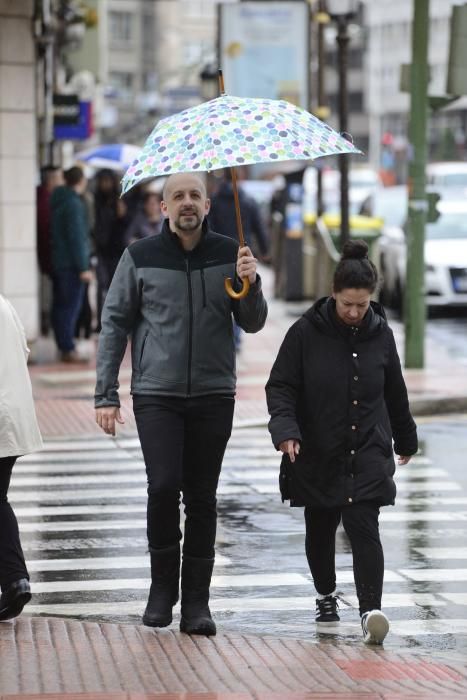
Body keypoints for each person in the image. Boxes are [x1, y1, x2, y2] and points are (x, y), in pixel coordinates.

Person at [94, 172, 267, 636]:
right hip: (157, 394)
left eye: (195, 195)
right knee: (163, 486)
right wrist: (105, 393)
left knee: (203, 497)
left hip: (213, 392)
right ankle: (160, 590)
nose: (187, 203)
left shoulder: (231, 254)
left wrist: (251, 283)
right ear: (164, 208)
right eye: (178, 196)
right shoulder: (140, 257)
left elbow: (252, 323)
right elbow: (114, 323)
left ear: (208, 206)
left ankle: (197, 602)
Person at [265, 240, 418, 645]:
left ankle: (371, 612)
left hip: (368, 445)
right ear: (333, 294)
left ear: (371, 299)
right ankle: (325, 594)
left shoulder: (381, 334)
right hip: (318, 446)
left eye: (362, 305)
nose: (354, 312)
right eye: (347, 304)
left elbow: (395, 390)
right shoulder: (304, 333)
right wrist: (286, 431)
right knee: (320, 525)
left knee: (364, 524)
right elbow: (280, 386)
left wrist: (406, 437)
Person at [0, 294, 43, 621]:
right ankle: (15, 580)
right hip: (12, 417)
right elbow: (24, 351)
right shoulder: (4, 303)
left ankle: (15, 579)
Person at [209, 170, 270, 350]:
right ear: (239, 178)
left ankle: (230, 335)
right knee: (241, 293)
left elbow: (210, 227)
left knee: (225, 296)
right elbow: (259, 226)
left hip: (219, 256)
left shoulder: (215, 201)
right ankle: (235, 337)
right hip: (243, 256)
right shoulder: (248, 201)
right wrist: (265, 249)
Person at [50, 166, 93, 362]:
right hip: (71, 264)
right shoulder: (74, 204)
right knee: (70, 306)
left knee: (60, 305)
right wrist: (83, 267)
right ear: (81, 180)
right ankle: (67, 348)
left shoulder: (58, 200)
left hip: (59, 261)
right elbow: (77, 238)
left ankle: (63, 344)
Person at [92, 169, 129, 330]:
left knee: (115, 287)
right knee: (102, 285)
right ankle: (101, 321)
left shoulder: (120, 201)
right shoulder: (95, 201)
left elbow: (125, 228)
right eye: (103, 181)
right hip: (100, 250)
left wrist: (122, 216)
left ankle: (114, 319)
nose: (105, 184)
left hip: (116, 250)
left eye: (108, 181)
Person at [36, 165, 64, 334]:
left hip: (49, 257)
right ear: (51, 180)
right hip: (50, 257)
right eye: (59, 178)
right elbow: (47, 231)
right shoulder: (46, 201)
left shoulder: (47, 198)